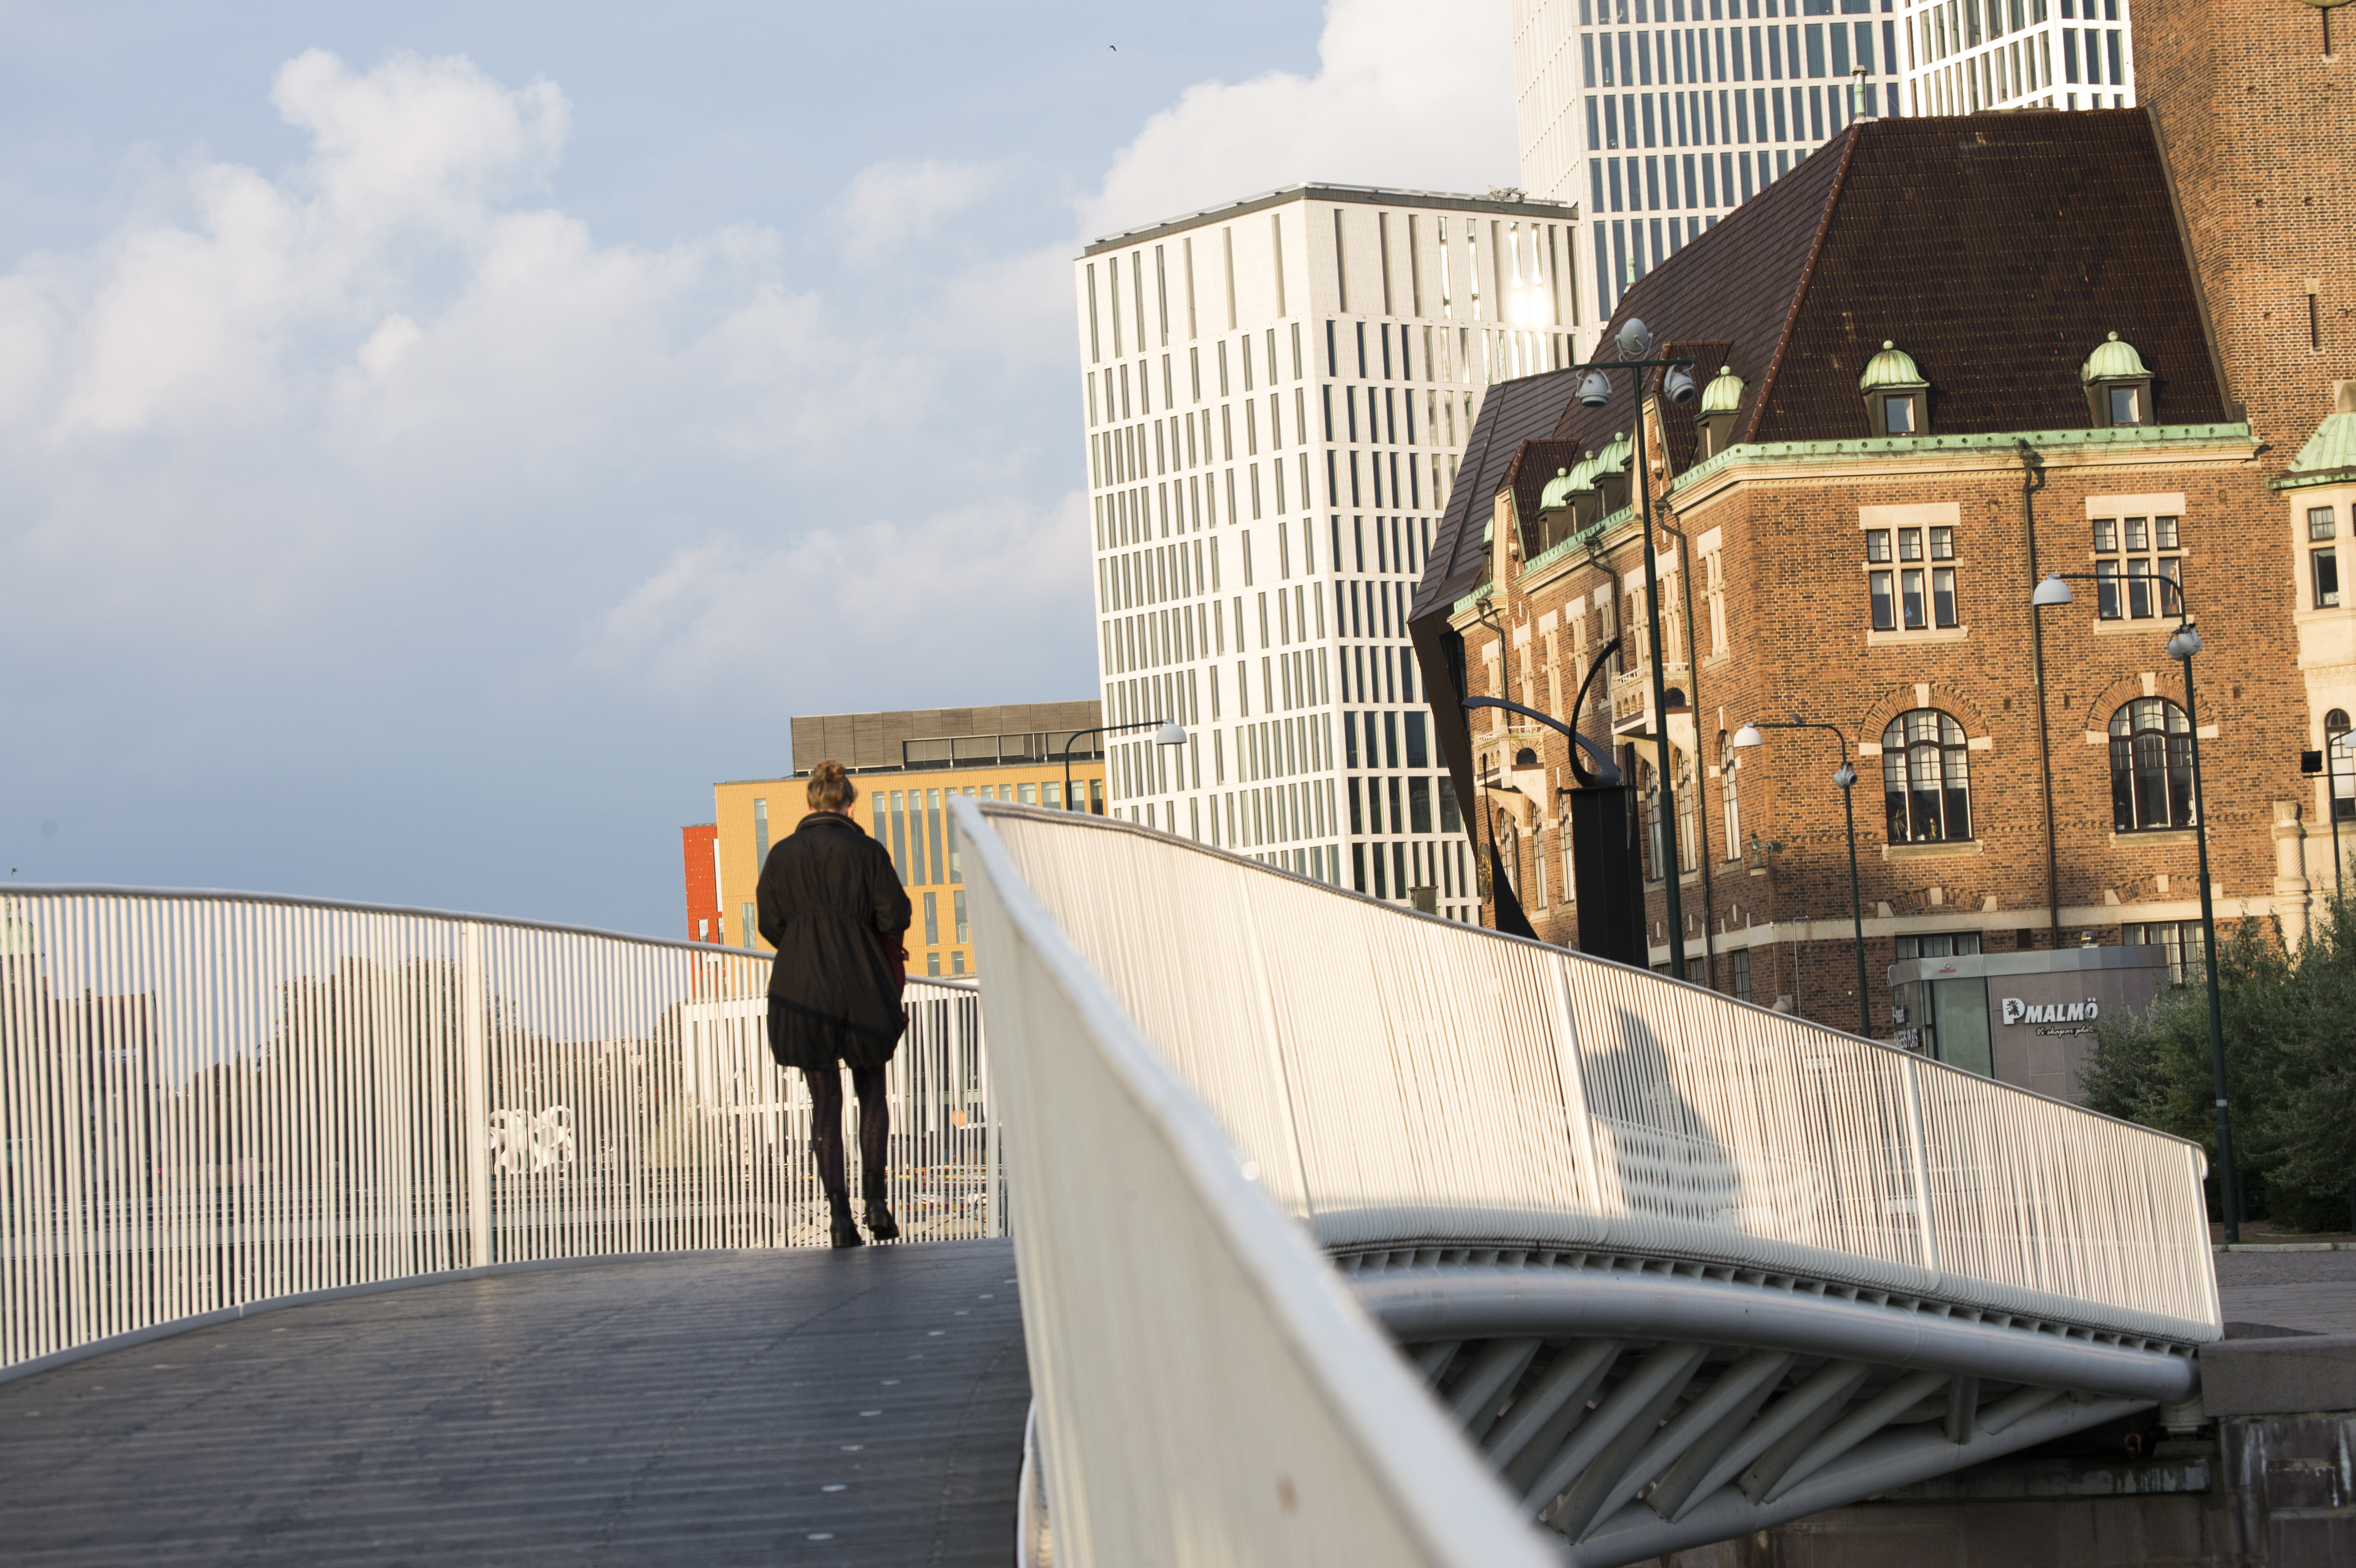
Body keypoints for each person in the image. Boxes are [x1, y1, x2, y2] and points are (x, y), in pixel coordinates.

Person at [757, 760, 913, 1248]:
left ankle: (839, 1217)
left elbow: (769, 922)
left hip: (801, 986)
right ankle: (877, 1203)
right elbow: (896, 915)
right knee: (871, 1089)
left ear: (809, 804)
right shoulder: (868, 851)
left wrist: (805, 941)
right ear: (849, 805)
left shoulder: (781, 855)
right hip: (861, 981)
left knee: (823, 1100)